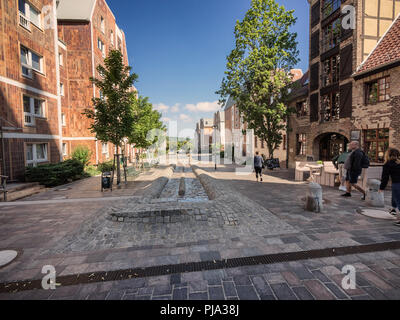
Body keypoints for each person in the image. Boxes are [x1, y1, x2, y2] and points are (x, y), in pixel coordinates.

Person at [379, 148, 400, 227]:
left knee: (398, 201)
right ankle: (394, 209)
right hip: (396, 184)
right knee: (395, 198)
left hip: (397, 184)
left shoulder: (388, 164)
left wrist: (381, 188)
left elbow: (385, 178)